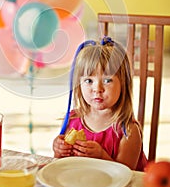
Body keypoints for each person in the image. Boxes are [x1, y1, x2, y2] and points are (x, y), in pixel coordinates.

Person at [53, 36, 148, 171]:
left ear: (123, 84)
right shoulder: (72, 120)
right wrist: (58, 149)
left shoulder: (128, 131)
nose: (97, 89)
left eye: (107, 80)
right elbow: (62, 163)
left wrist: (101, 156)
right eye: (89, 81)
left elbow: (127, 175)